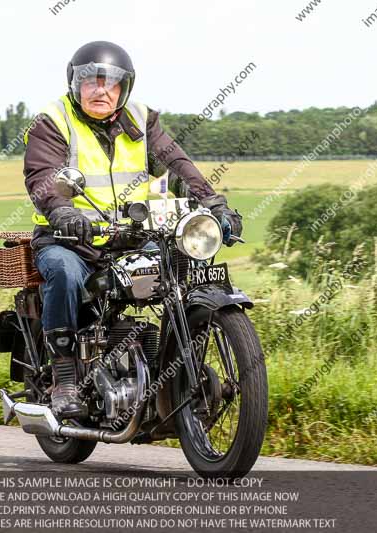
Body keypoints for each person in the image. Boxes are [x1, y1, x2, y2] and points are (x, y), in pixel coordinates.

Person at [23, 40, 243, 419]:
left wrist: (213, 203)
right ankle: (64, 376)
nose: (101, 90)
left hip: (131, 238)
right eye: (91, 81)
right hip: (70, 240)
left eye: (112, 83)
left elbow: (177, 166)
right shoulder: (53, 121)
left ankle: (164, 371)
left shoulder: (142, 120)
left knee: (180, 268)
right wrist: (63, 213)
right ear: (75, 84)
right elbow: (42, 177)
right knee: (63, 272)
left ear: (125, 88)